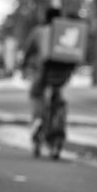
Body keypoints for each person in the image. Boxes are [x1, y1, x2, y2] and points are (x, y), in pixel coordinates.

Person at [21, 8, 75, 140]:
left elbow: (28, 51)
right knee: (57, 92)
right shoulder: (66, 31)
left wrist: (23, 65)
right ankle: (60, 117)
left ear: (46, 17)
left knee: (36, 93)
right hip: (65, 71)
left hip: (45, 70)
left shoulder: (39, 31)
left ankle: (38, 121)